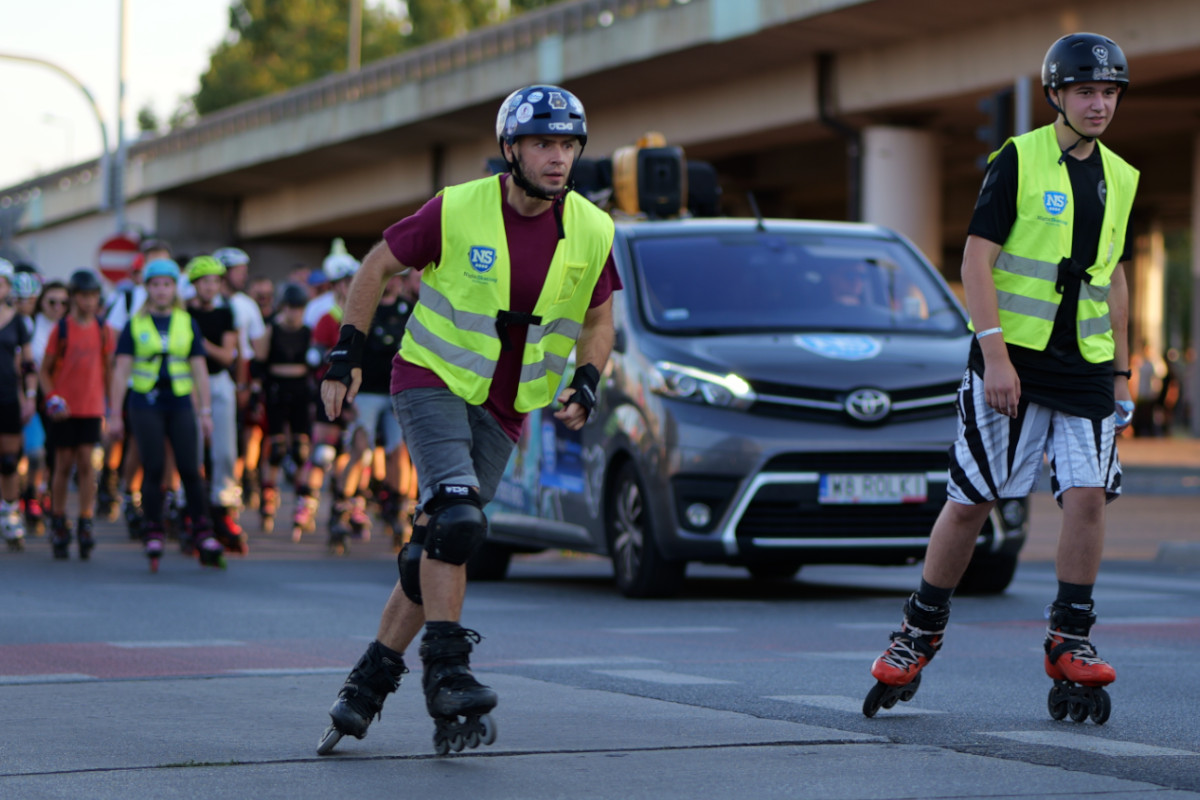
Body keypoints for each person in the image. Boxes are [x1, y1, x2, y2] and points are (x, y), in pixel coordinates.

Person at [315, 84, 620, 756]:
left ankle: (365, 686)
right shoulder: (458, 208)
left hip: (506, 406)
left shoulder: (594, 228)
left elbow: (600, 318)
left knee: (438, 543)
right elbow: (377, 264)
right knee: (456, 517)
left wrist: (588, 379)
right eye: (543, 143)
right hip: (431, 380)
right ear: (511, 149)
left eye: (568, 145)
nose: (558, 157)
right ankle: (448, 673)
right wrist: (346, 356)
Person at [863, 33, 1138, 725]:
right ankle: (917, 632)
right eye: (1086, 91)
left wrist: (1125, 370)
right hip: (1011, 360)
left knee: (1087, 496)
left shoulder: (1124, 177)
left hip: (1086, 364)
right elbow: (975, 261)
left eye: (1108, 92)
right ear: (1057, 95)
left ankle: (1069, 635)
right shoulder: (1017, 159)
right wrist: (996, 357)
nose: (1099, 103)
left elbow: (1117, 276)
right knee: (974, 499)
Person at [107, 258, 221, 571]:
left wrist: (206, 411)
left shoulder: (187, 322)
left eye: (167, 285)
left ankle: (202, 530)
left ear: (174, 289)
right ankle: (153, 529)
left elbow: (199, 369)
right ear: (148, 289)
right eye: (155, 285)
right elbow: (121, 371)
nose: (161, 290)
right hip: (145, 402)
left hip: (181, 401)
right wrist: (115, 414)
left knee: (189, 467)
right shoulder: (135, 324)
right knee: (154, 466)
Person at [38, 269, 114, 560]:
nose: (89, 302)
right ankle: (58, 519)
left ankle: (85, 519)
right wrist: (52, 397)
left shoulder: (103, 329)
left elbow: (107, 369)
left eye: (94, 296)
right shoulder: (63, 329)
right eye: (83, 296)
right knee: (63, 464)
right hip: (65, 409)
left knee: (87, 464)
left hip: (91, 407)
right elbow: (45, 371)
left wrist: (110, 407)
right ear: (73, 298)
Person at [186, 255, 246, 554]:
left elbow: (227, 356)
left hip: (220, 383)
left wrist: (199, 343)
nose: (211, 287)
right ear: (195, 284)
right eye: (205, 281)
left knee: (224, 451)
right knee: (192, 449)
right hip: (190, 383)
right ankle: (189, 509)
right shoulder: (183, 313)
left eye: (215, 281)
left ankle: (223, 508)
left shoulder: (226, 312)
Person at [252, 282, 313, 534]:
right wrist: (256, 395)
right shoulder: (272, 330)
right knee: (276, 449)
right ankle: (268, 500)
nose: (294, 313)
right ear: (283, 307)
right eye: (290, 308)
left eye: (298, 308)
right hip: (276, 389)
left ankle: (302, 503)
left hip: (300, 390)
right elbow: (259, 364)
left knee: (300, 450)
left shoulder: (308, 332)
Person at [0, 258, 38, 551]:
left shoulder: (17, 322)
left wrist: (30, 395)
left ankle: (9, 514)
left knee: (9, 461)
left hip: (9, 398)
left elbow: (27, 363)